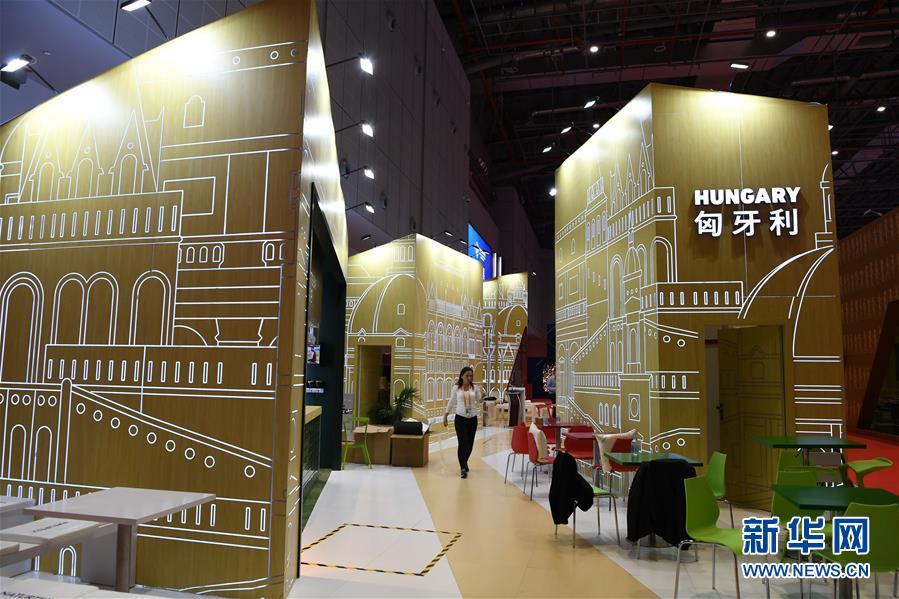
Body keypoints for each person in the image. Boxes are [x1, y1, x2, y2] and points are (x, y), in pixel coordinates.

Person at [443, 366, 483, 478]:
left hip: (472, 418)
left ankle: (464, 462)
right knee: (463, 442)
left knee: (470, 444)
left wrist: (482, 398)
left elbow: (479, 400)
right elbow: (451, 401)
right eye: (467, 376)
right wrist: (445, 415)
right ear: (462, 376)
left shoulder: (475, 388)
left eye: (471, 376)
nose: (469, 378)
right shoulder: (456, 388)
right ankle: (463, 468)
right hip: (460, 418)